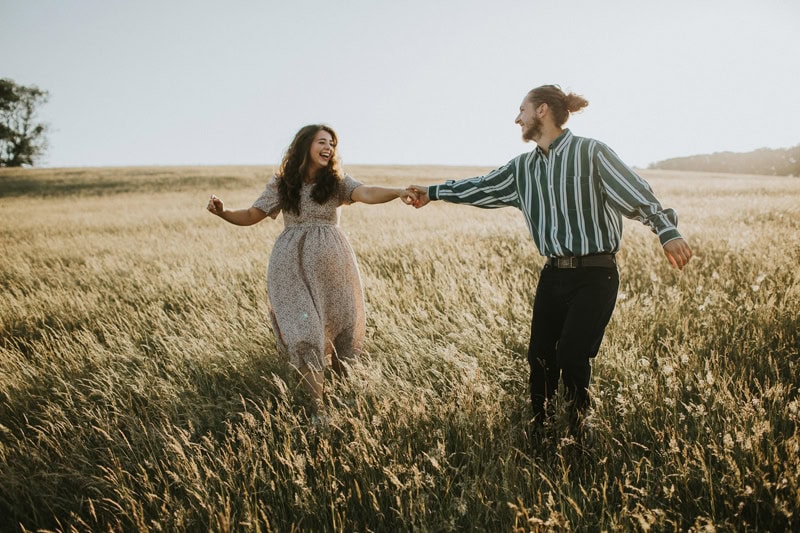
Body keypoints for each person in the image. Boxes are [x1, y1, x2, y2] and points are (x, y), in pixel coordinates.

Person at [408, 85, 692, 435]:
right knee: (540, 358)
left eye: (522, 111)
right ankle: (539, 430)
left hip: (595, 273)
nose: (517, 118)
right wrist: (433, 193)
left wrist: (667, 231)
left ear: (542, 110)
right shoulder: (522, 169)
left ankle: (578, 429)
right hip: (552, 275)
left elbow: (636, 193)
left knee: (572, 354)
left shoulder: (591, 152)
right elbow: (482, 187)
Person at [208, 124, 417, 416]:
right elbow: (252, 214)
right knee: (306, 333)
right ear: (305, 145)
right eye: (322, 141)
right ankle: (318, 410)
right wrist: (224, 212)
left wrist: (396, 191)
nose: (329, 147)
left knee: (342, 332)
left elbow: (366, 192)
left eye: (332, 143)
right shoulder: (283, 184)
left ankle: (345, 402)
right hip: (290, 267)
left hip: (334, 268)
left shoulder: (336, 182)